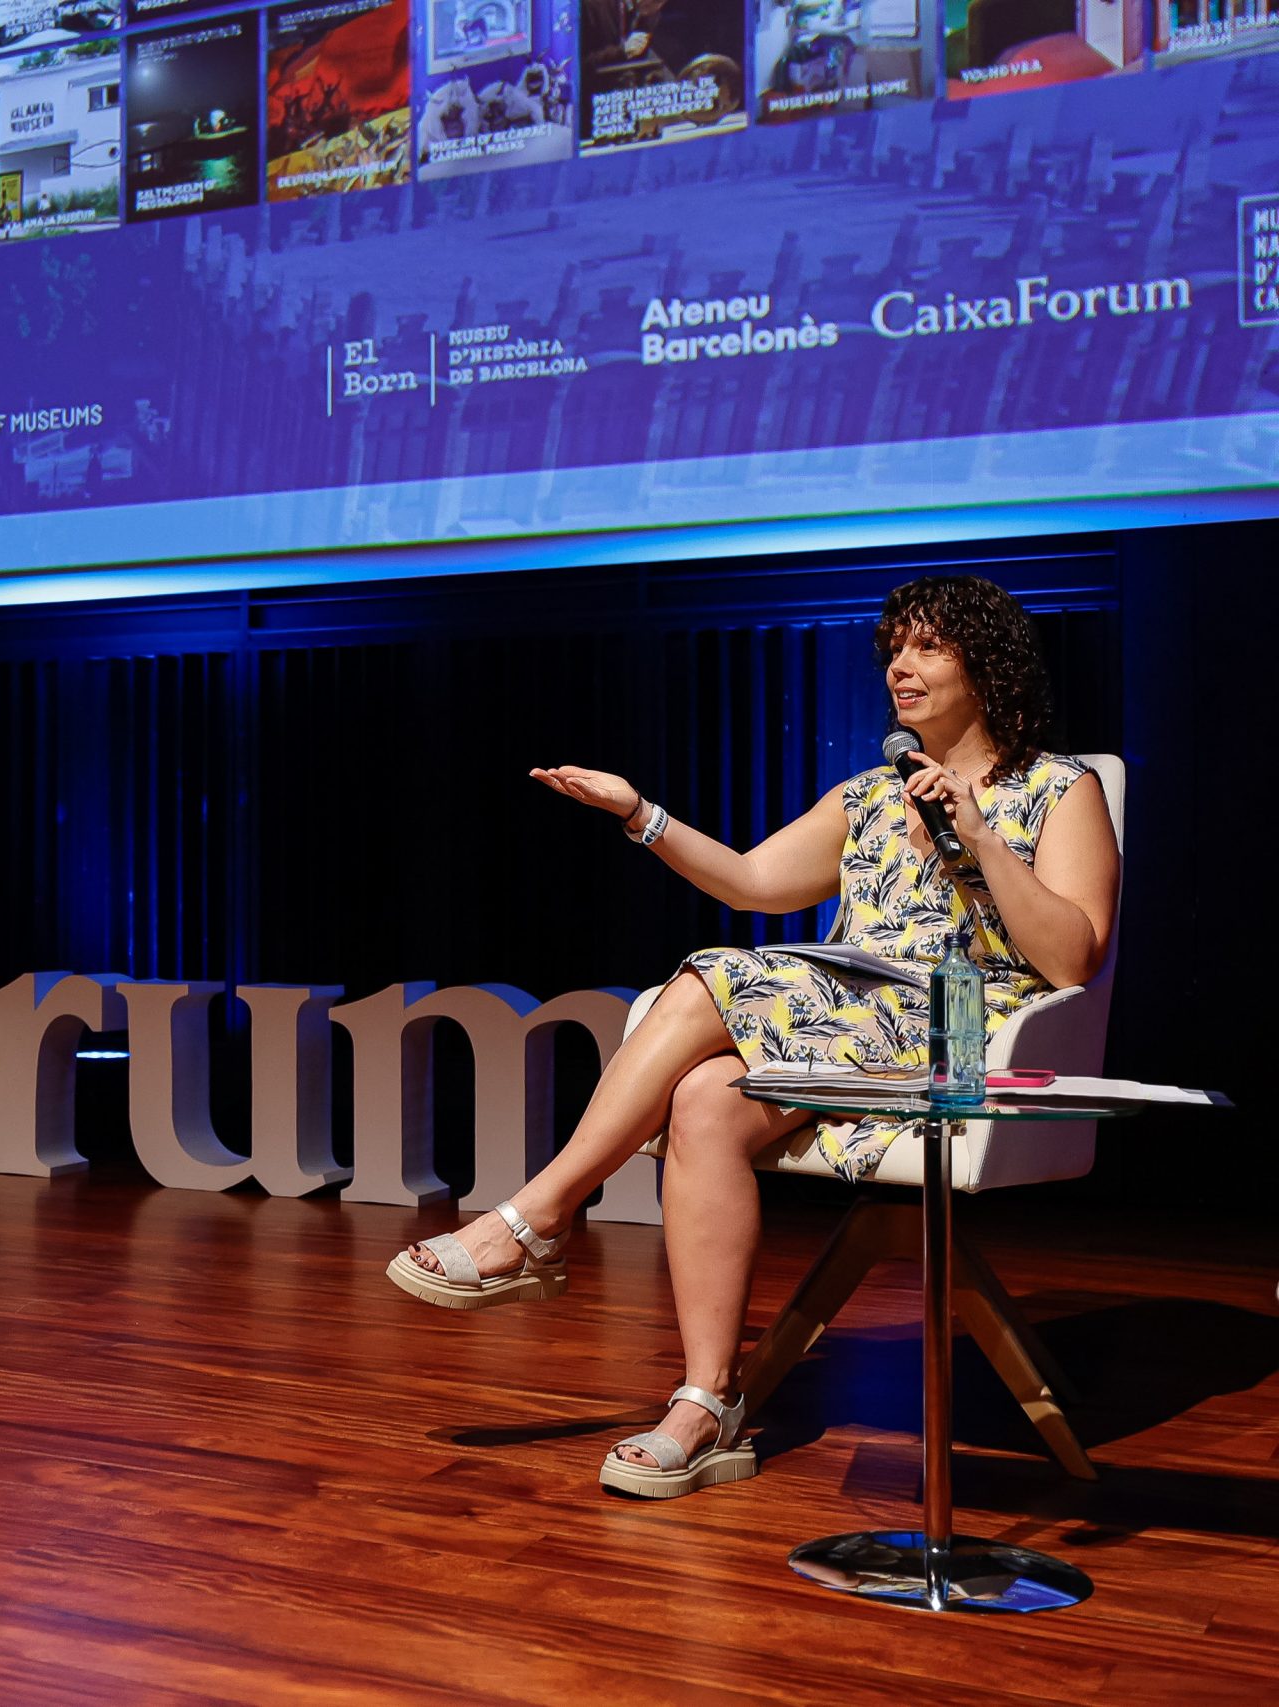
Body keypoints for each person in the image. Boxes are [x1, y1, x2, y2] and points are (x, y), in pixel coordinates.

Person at [385, 576, 1120, 1497]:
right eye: (894, 646)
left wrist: (980, 838)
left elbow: (1073, 958)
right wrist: (638, 813)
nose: (900, 664)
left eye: (928, 646)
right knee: (703, 1099)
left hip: (963, 1033)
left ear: (988, 665)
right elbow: (749, 881)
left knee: (712, 974)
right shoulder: (869, 795)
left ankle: (537, 1218)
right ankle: (708, 1403)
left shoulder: (1061, 787)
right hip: (853, 1019)